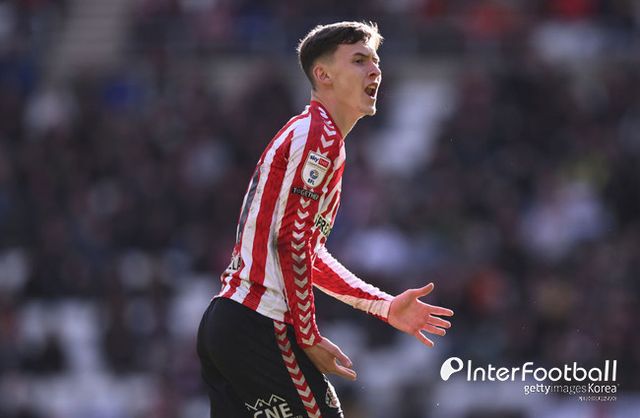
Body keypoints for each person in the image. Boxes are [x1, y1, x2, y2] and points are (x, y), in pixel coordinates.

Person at [197, 21, 454, 418]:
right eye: (359, 60)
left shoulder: (315, 135)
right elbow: (292, 243)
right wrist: (308, 334)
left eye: (376, 61)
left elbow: (308, 252)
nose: (375, 70)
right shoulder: (320, 136)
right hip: (260, 323)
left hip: (230, 322)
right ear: (323, 74)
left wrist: (384, 307)